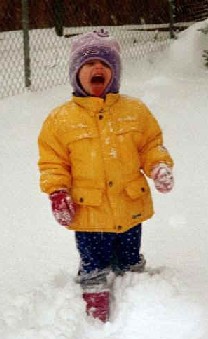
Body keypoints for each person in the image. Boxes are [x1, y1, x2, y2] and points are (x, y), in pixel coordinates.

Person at [38, 29, 174, 323]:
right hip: (90, 213)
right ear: (76, 74)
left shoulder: (134, 111)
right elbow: (52, 162)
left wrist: (158, 165)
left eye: (105, 64)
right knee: (94, 263)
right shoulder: (60, 120)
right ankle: (94, 300)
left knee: (129, 257)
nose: (98, 68)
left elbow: (151, 145)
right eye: (88, 64)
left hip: (129, 204)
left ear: (115, 73)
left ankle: (136, 292)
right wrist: (57, 191)